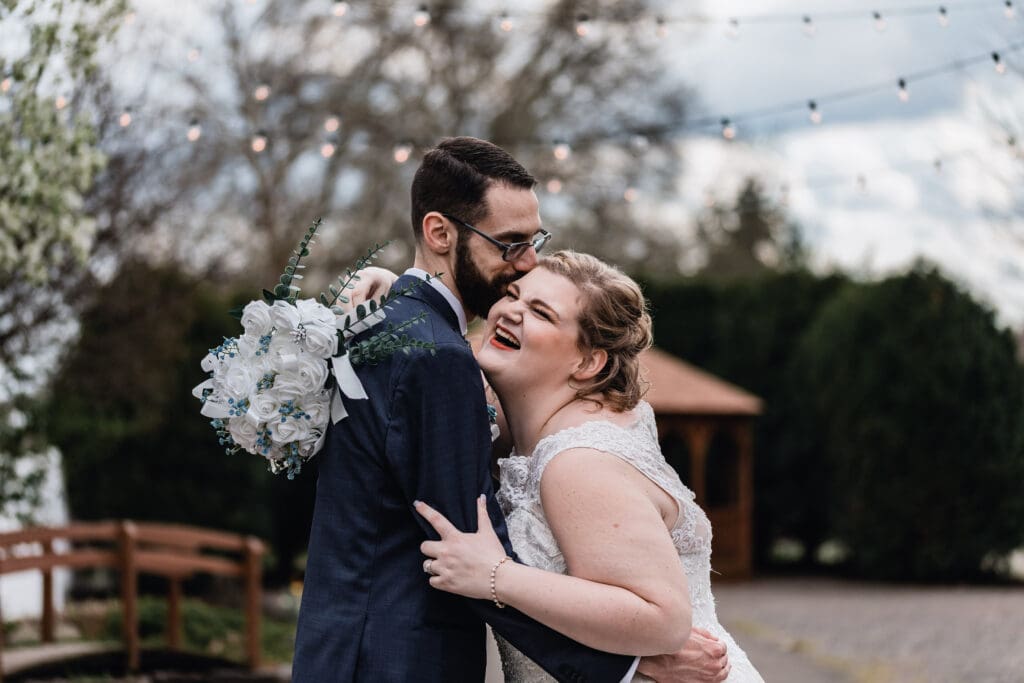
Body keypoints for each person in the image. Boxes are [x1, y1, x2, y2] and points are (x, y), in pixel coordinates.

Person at [292, 136, 729, 682]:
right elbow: (461, 548)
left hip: (343, 645)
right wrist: (632, 663)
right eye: (510, 243)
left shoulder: (383, 325)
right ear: (439, 232)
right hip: (396, 658)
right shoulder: (438, 356)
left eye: (534, 239)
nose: (526, 263)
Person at [413, 251, 764, 682]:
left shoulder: (577, 462)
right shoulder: (532, 425)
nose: (511, 312)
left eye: (541, 312)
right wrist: (394, 294)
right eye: (513, 295)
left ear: (588, 362)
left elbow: (663, 619)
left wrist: (495, 575)